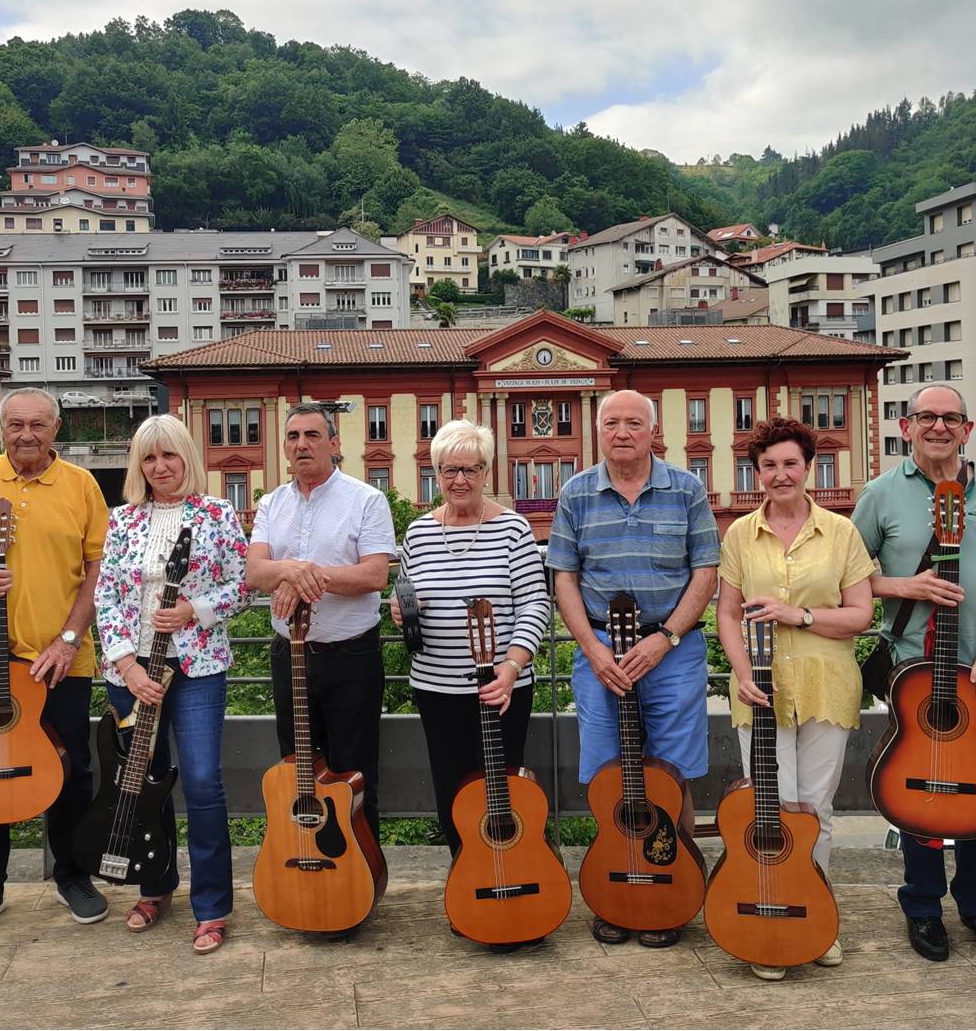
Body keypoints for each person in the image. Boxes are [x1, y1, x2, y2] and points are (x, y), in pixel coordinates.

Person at [851, 383, 976, 964]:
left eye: (950, 418)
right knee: (918, 788)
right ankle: (923, 906)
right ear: (905, 428)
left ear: (967, 429)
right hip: (916, 673)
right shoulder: (880, 494)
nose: (938, 427)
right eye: (926, 417)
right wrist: (903, 584)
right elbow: (846, 577)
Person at [0, 387, 110, 944]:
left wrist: (68, 638)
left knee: (71, 772)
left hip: (63, 660)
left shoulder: (83, 486)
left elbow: (98, 571)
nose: (26, 434)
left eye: (37, 424)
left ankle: (73, 876)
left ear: (56, 429)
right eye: (15, 425)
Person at [548, 388, 720, 949]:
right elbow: (564, 578)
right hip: (601, 648)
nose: (622, 432)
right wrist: (594, 649)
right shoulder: (575, 493)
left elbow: (705, 572)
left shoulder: (687, 489)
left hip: (672, 649)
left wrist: (666, 637)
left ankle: (672, 895)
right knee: (607, 776)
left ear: (653, 431)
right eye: (611, 423)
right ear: (598, 431)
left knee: (672, 775)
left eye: (633, 423)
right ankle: (615, 894)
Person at [716, 417, 874, 979]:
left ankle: (816, 916)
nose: (780, 474)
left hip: (826, 681)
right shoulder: (739, 533)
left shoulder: (841, 532)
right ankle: (771, 918)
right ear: (755, 472)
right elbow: (727, 613)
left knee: (816, 808)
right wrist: (739, 671)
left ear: (807, 467)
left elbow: (861, 614)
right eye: (768, 466)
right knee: (771, 808)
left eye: (790, 464)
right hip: (758, 686)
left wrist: (799, 615)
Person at [94, 414, 249, 954]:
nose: (160, 467)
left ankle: (212, 907)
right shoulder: (122, 520)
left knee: (203, 782)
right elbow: (107, 597)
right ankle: (153, 887)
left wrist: (194, 609)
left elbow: (241, 585)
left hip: (197, 667)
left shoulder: (217, 513)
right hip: (130, 670)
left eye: (169, 456)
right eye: (149, 458)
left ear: (187, 457)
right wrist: (127, 665)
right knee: (146, 780)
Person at [390, 419, 550, 859]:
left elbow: (536, 605)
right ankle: (468, 875)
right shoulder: (419, 533)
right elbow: (404, 593)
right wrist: (399, 608)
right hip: (436, 687)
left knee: (502, 789)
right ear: (436, 473)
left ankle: (513, 869)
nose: (459, 480)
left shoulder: (514, 530)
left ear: (485, 473)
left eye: (470, 470)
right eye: (449, 470)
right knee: (451, 787)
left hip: (502, 688)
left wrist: (512, 666)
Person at [245, 403, 396, 836]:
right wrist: (291, 571)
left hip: (351, 657)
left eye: (312, 435)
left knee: (355, 772)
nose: (301, 445)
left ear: (334, 443)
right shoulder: (272, 503)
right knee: (298, 768)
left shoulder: (366, 499)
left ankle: (362, 877)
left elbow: (374, 574)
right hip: (289, 657)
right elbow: (256, 573)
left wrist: (305, 574)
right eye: (293, 437)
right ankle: (308, 875)